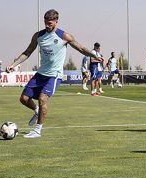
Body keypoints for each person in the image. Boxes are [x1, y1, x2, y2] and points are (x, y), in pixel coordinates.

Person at [6, 9, 98, 138]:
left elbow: (81, 48)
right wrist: (13, 64)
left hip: (54, 75)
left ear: (56, 22)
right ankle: (37, 111)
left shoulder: (64, 36)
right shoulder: (38, 36)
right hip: (41, 74)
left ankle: (37, 130)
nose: (47, 25)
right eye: (45, 23)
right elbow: (27, 52)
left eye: (50, 23)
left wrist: (94, 56)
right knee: (24, 99)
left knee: (43, 99)